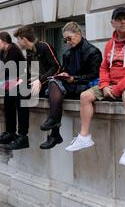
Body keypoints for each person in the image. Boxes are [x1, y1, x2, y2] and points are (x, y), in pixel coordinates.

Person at [66, 7, 125, 167]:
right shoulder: (110, 44)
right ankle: (85, 136)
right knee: (85, 96)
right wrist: (105, 85)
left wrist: (117, 88)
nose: (123, 22)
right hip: (113, 83)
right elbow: (103, 68)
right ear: (112, 23)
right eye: (119, 19)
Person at [39, 22, 103, 150]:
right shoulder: (67, 54)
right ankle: (54, 129)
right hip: (71, 85)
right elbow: (65, 70)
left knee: (54, 88)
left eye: (69, 38)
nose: (68, 42)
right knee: (53, 82)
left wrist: (74, 78)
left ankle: (55, 133)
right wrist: (64, 74)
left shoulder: (93, 52)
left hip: (86, 85)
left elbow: (94, 75)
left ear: (79, 34)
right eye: (65, 40)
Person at [0, 26, 61, 150]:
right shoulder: (29, 51)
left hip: (49, 84)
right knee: (10, 92)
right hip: (36, 84)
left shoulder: (44, 46)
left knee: (21, 94)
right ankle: (11, 132)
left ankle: (23, 136)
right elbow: (31, 72)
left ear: (24, 39)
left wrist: (40, 80)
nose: (17, 43)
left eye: (18, 40)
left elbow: (56, 67)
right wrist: (22, 80)